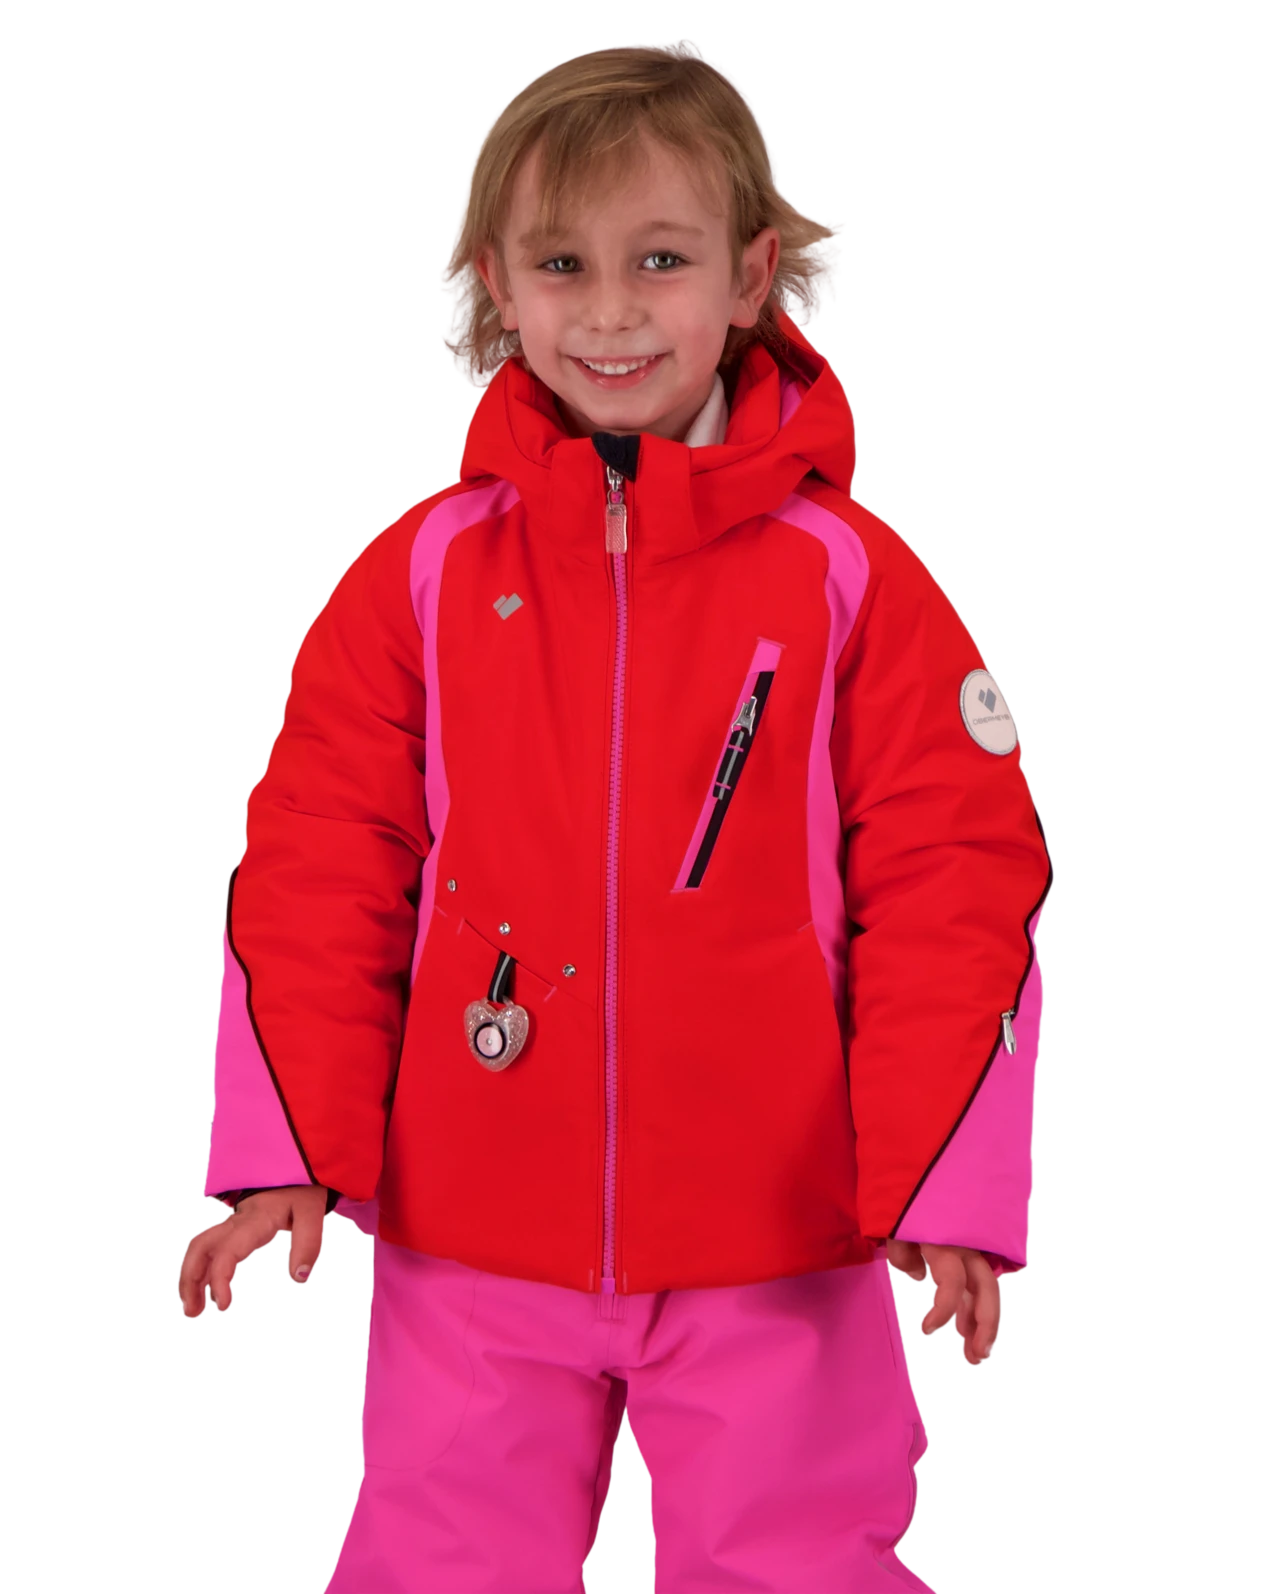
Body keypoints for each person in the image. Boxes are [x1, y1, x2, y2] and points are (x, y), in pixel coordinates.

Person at [178, 39, 1051, 1592]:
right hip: (472, 1224)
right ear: (495, 288)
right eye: (562, 264)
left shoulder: (851, 577)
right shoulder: (425, 572)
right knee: (439, 1567)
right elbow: (319, 856)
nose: (608, 311)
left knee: (799, 1569)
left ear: (750, 275)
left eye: (660, 259)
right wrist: (292, 1138)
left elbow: (953, 874)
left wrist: (941, 1180)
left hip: (775, 1231)